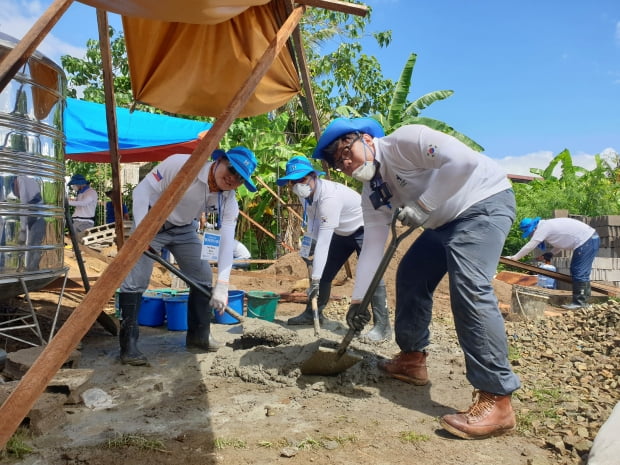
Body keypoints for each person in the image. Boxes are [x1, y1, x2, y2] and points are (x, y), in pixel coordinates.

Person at [313, 117, 520, 439]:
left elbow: (462, 161)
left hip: (483, 203)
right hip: (442, 224)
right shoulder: (373, 192)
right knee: (410, 276)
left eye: (346, 151)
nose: (346, 163)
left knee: (469, 288)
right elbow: (371, 246)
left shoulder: (405, 141)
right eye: (338, 163)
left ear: (366, 139)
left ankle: (497, 398)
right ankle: (411, 358)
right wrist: (358, 301)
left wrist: (424, 204)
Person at [117, 147, 258, 366]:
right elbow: (141, 192)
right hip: (152, 222)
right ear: (220, 160)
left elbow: (227, 241)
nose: (233, 178)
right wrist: (142, 232)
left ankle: (198, 337)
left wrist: (222, 283)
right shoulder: (181, 164)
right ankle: (129, 346)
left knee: (202, 275)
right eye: (232, 169)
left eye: (241, 177)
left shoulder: (228, 200)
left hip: (183, 230)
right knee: (137, 280)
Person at [277, 155, 391, 341]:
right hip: (342, 231)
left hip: (364, 229)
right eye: (293, 181)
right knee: (326, 272)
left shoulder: (330, 197)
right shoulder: (306, 193)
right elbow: (312, 221)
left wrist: (313, 278)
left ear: (314, 176)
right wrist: (307, 248)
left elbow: (324, 240)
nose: (298, 184)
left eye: (302, 179)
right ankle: (312, 314)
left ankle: (383, 327)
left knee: (373, 275)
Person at [506, 217, 599, 309]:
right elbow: (562, 242)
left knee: (579, 271)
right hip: (590, 238)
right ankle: (584, 303)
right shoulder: (548, 225)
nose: (532, 235)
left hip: (587, 240)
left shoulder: (543, 228)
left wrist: (515, 257)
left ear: (534, 228)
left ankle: (580, 303)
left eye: (531, 233)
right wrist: (551, 253)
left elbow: (531, 245)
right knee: (580, 272)